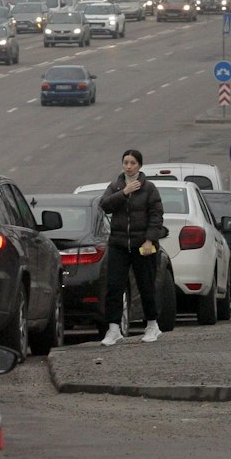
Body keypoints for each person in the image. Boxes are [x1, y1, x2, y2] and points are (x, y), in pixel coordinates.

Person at [97, 148, 166, 346]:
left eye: (132, 163)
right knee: (114, 286)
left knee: (146, 285)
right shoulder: (116, 186)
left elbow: (156, 216)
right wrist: (124, 193)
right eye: (126, 162)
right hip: (118, 244)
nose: (128, 166)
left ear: (140, 165)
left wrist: (149, 240)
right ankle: (113, 328)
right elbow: (105, 205)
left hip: (141, 245)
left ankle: (152, 325)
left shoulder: (149, 188)